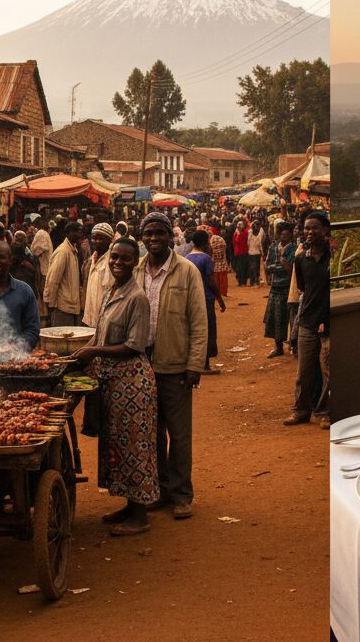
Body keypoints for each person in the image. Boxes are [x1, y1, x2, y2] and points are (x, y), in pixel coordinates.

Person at [72, 237, 160, 536]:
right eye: (114, 257)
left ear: (136, 262)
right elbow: (100, 335)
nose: (117, 263)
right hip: (112, 383)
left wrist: (93, 352)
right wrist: (81, 351)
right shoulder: (113, 290)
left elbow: (134, 346)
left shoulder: (137, 298)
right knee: (118, 446)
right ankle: (129, 505)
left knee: (135, 447)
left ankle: (140, 516)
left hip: (133, 384)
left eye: (124, 259)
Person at [137, 212, 207, 520]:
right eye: (148, 233)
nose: (153, 239)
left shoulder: (187, 270)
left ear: (171, 236)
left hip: (176, 365)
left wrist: (195, 364)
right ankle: (161, 490)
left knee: (179, 435)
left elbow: (199, 321)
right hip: (141, 365)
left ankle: (181, 495)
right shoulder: (136, 270)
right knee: (152, 433)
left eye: (159, 233)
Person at [286, 212, 330, 428]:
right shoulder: (301, 259)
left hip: (328, 323)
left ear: (325, 231)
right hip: (307, 321)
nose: (309, 232)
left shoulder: (333, 258)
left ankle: (324, 412)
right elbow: (304, 288)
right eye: (306, 228)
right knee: (304, 371)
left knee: (328, 371)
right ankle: (300, 411)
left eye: (314, 228)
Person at [185, 230, 225, 373]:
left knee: (194, 330)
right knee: (207, 330)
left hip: (191, 299)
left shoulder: (187, 257)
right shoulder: (206, 259)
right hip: (206, 299)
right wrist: (220, 299)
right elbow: (211, 281)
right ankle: (205, 365)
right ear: (205, 243)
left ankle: (195, 363)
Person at [263, 222, 297, 358]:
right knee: (275, 318)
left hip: (288, 288)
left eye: (287, 235)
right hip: (275, 288)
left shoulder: (294, 249)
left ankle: (293, 346)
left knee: (290, 319)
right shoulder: (273, 247)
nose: (284, 237)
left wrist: (278, 265)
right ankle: (278, 347)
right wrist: (280, 265)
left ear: (290, 236)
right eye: (282, 234)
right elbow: (266, 265)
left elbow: (289, 268)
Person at [44, 220, 84, 327]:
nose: (81, 235)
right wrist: (50, 304)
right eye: (78, 232)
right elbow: (53, 280)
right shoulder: (63, 252)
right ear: (69, 233)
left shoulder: (73, 251)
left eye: (81, 232)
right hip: (62, 307)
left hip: (71, 306)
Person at [81, 224, 114, 328]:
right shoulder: (91, 261)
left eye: (100, 239)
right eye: (94, 238)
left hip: (107, 319)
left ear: (109, 240)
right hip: (90, 318)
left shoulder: (113, 261)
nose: (95, 242)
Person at [209, 226, 230, 299]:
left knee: (216, 279)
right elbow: (224, 248)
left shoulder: (211, 241)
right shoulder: (219, 239)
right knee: (223, 278)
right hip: (222, 262)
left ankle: (217, 294)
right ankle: (223, 293)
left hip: (214, 263)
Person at [246, 220, 266, 286]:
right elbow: (261, 244)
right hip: (255, 253)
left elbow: (248, 243)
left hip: (252, 253)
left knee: (253, 267)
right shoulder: (258, 234)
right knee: (255, 267)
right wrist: (262, 253)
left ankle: (254, 281)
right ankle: (255, 281)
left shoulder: (251, 233)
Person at [232, 219, 250, 287]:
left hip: (244, 252)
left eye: (240, 226)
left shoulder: (245, 233)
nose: (239, 227)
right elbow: (234, 242)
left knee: (244, 267)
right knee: (239, 268)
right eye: (238, 226)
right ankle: (240, 282)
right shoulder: (236, 233)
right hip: (238, 253)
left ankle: (243, 282)